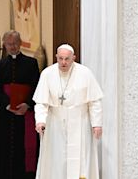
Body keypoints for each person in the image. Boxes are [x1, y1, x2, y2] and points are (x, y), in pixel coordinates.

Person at [33, 44, 103, 179]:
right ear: (56, 57)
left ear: (74, 58)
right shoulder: (47, 74)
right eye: (60, 59)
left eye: (67, 59)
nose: (63, 62)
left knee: (80, 160)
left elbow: (94, 102)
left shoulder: (85, 73)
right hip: (55, 123)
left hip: (80, 122)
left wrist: (97, 124)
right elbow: (41, 102)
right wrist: (40, 121)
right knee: (57, 161)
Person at [0, 30, 40, 179]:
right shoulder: (0, 65)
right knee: (3, 148)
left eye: (16, 43)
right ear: (5, 45)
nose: (13, 47)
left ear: (20, 43)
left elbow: (37, 87)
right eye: (10, 44)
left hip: (25, 114)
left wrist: (27, 104)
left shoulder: (31, 63)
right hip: (5, 114)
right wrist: (7, 104)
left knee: (24, 148)